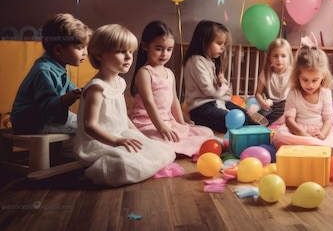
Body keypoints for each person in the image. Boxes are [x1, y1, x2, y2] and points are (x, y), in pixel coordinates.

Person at [73, 24, 175, 187]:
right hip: (100, 141)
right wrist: (117, 141)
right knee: (124, 161)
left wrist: (140, 137)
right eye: (121, 52)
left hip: (121, 134)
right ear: (99, 54)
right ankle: (96, 173)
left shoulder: (119, 82)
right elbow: (89, 126)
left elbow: (122, 117)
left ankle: (127, 167)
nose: (129, 57)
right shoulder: (97, 88)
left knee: (165, 150)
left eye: (131, 52)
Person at [129, 21, 214, 157]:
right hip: (148, 122)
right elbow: (149, 103)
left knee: (205, 132)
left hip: (168, 120)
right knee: (162, 142)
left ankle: (181, 146)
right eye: (158, 48)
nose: (164, 54)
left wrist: (181, 124)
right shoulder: (145, 73)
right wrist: (161, 127)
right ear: (145, 46)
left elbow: (174, 101)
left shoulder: (170, 73)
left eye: (169, 49)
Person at [11, 13, 91, 134]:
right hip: (33, 123)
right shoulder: (44, 71)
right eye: (80, 48)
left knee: (89, 122)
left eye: (86, 47)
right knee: (89, 127)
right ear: (58, 50)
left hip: (48, 118)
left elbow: (69, 87)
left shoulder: (57, 67)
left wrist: (84, 91)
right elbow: (47, 108)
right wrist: (73, 95)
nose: (85, 53)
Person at [183, 20, 268, 133]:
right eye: (219, 43)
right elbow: (211, 91)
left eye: (224, 44)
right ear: (204, 41)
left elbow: (224, 95)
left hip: (218, 102)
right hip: (202, 108)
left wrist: (223, 87)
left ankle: (248, 116)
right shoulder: (196, 61)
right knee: (238, 120)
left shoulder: (210, 61)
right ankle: (245, 120)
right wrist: (223, 85)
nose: (222, 48)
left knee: (243, 114)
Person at [271, 42, 333, 155]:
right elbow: (289, 120)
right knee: (281, 137)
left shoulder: (325, 93)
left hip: (319, 130)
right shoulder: (293, 93)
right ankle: (311, 148)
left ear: (323, 75)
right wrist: (303, 135)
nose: (310, 85)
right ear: (298, 75)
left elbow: (328, 119)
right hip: (297, 130)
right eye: (305, 80)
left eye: (315, 80)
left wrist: (323, 134)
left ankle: (315, 148)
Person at [249, 38, 293, 126]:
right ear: (269, 58)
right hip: (271, 104)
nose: (279, 59)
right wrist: (262, 102)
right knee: (263, 113)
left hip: (285, 104)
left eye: (283, 56)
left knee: (286, 111)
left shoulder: (291, 73)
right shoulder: (266, 73)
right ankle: (264, 120)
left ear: (289, 58)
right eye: (275, 56)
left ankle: (268, 121)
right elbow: (258, 93)